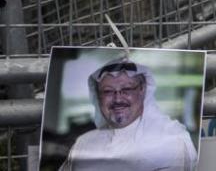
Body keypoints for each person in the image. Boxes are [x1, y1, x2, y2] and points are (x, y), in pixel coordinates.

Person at [59, 58, 198, 171]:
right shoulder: (83, 144)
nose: (118, 99)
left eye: (127, 89)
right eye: (108, 91)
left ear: (142, 90)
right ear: (98, 96)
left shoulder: (170, 140)